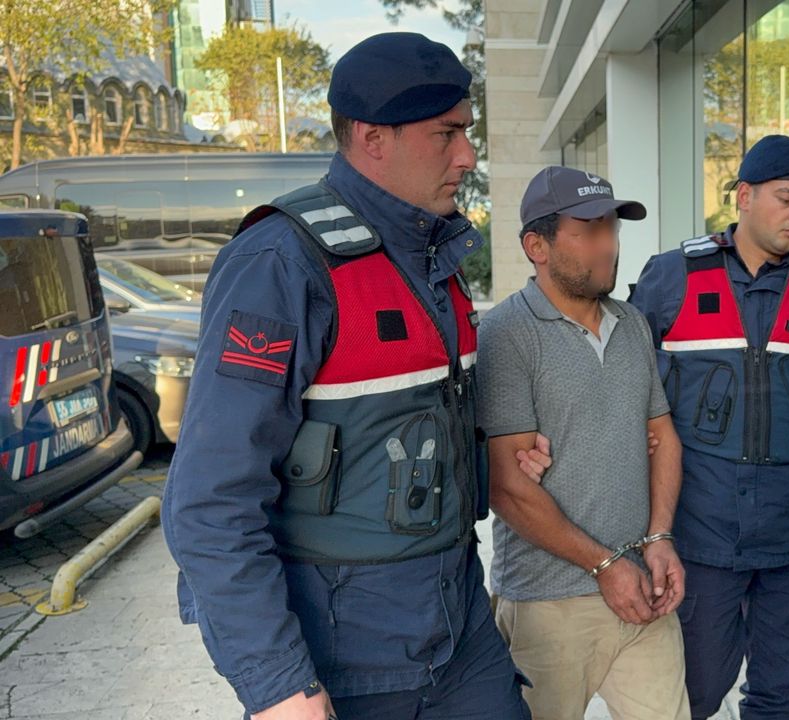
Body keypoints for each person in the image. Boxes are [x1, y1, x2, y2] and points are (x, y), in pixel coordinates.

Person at [162, 32, 549, 720]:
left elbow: (404, 429)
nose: (467, 155)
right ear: (373, 138)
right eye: (447, 134)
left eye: (467, 131)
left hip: (461, 634)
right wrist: (278, 685)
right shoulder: (282, 263)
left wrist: (497, 453)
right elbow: (209, 501)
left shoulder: (434, 254)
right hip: (349, 660)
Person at [629, 135, 789, 720]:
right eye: (786, 199)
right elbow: (621, 384)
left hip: (788, 544)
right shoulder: (673, 277)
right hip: (700, 538)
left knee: (778, 696)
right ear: (744, 196)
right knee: (695, 692)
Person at [477, 165, 691, 720]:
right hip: (548, 602)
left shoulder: (632, 323)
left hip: (643, 590)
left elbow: (662, 436)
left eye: (612, 229)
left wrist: (659, 538)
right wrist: (605, 566)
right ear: (537, 246)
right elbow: (508, 485)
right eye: (589, 231)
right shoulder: (506, 333)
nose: (609, 246)